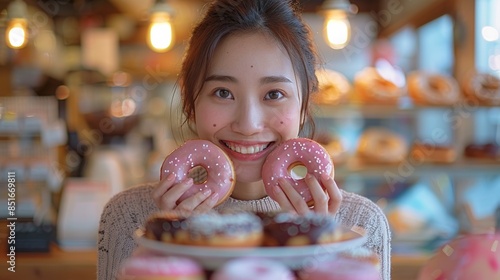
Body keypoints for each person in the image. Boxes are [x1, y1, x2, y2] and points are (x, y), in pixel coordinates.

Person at [97, 0, 391, 279]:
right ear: (190, 102)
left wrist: (323, 252)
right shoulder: (129, 217)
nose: (248, 125)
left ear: (304, 105)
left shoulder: (360, 225)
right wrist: (168, 252)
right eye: (223, 93)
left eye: (274, 94)